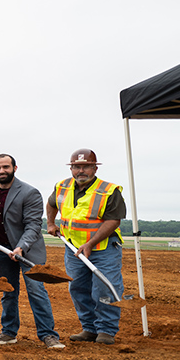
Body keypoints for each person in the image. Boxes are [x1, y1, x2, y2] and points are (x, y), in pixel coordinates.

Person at [0, 154, 64, 349]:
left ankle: (48, 335)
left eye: (5, 167)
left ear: (15, 168)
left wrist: (20, 247)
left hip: (28, 251)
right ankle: (8, 333)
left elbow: (33, 226)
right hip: (1, 249)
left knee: (36, 291)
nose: (1, 171)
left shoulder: (29, 193)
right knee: (8, 291)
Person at [46, 148, 126, 345]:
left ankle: (106, 330)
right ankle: (89, 328)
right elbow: (51, 204)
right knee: (78, 287)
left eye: (86, 167)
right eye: (76, 166)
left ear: (94, 168)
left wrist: (90, 243)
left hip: (103, 248)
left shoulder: (109, 191)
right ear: (71, 168)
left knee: (104, 288)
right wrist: (50, 223)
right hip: (73, 248)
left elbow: (113, 221)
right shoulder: (62, 186)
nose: (80, 170)